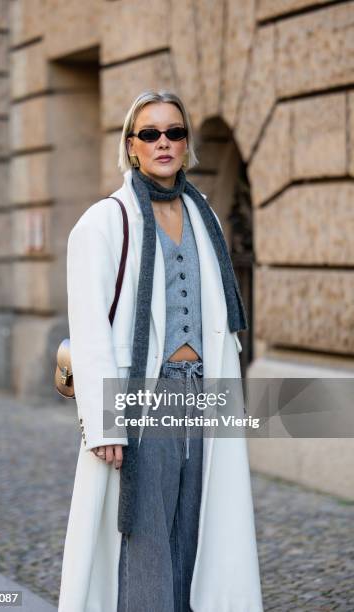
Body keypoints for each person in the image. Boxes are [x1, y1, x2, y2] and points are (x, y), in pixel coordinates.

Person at [58, 90, 264, 612]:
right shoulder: (102, 223)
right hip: (143, 399)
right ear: (132, 146)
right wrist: (105, 425)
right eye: (150, 134)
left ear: (187, 144)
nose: (164, 142)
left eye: (175, 132)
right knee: (145, 534)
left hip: (201, 395)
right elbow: (89, 329)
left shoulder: (207, 220)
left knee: (193, 529)